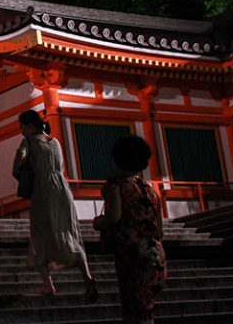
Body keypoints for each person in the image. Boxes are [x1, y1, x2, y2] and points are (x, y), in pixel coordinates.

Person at [13, 109, 98, 302]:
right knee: (68, 230)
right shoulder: (55, 142)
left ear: (30, 126)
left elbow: (20, 157)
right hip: (62, 188)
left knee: (40, 232)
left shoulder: (29, 142)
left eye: (22, 127)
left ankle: (48, 285)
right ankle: (87, 278)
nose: (21, 131)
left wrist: (17, 170)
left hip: (43, 189)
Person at [92, 135, 167, 324]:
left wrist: (97, 222)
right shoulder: (150, 190)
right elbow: (160, 229)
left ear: (117, 160)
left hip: (133, 254)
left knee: (132, 308)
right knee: (146, 309)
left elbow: (113, 217)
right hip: (156, 254)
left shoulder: (116, 187)